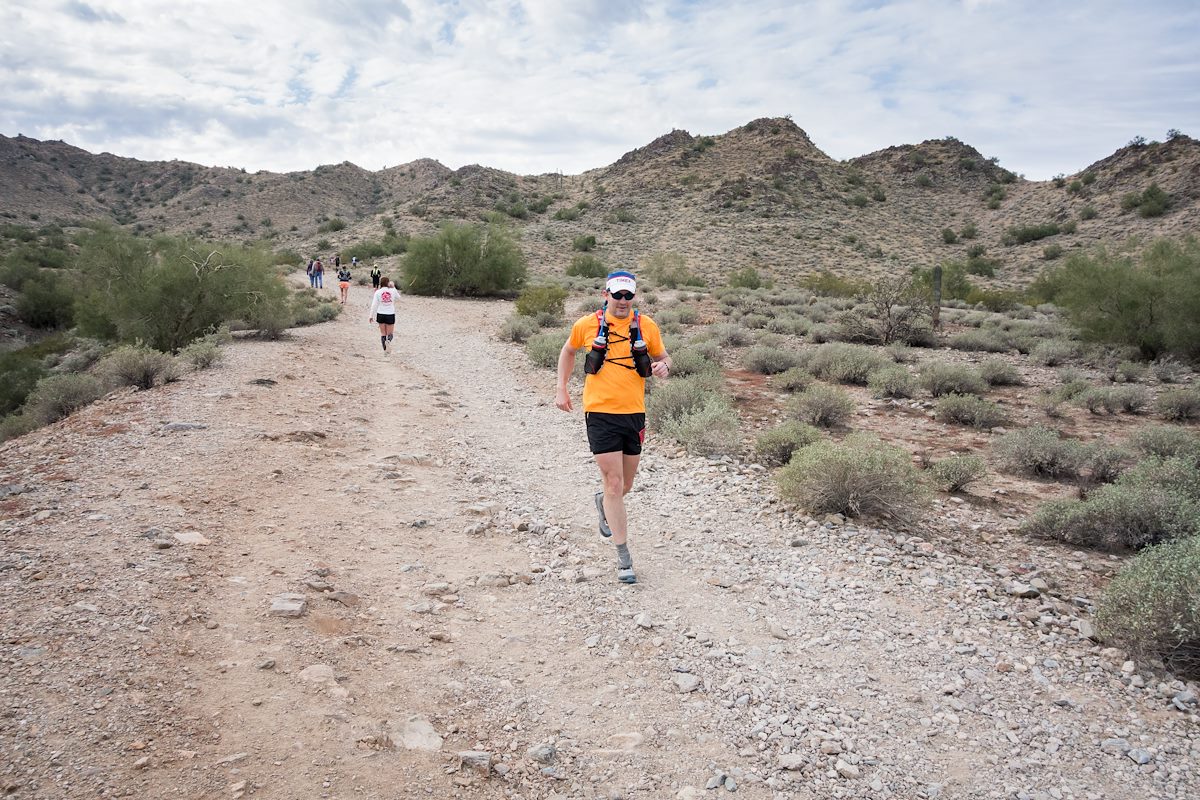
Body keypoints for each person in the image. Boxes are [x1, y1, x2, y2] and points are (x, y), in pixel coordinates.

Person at [555, 270, 670, 584]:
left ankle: (602, 501)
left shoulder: (647, 326)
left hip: (634, 413)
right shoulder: (586, 325)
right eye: (616, 295)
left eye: (627, 295)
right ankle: (624, 557)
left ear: (634, 296)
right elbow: (568, 350)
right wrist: (561, 388)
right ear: (605, 294)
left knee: (624, 486)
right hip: (600, 412)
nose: (622, 301)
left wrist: (664, 366)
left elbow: (663, 357)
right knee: (615, 483)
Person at [367, 276, 400, 353]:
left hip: (380, 314)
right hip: (390, 314)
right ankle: (388, 341)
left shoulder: (378, 292)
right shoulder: (392, 291)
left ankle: (385, 350)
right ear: (388, 283)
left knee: (383, 333)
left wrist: (371, 315)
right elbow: (399, 298)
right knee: (390, 333)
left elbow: (374, 304)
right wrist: (394, 287)